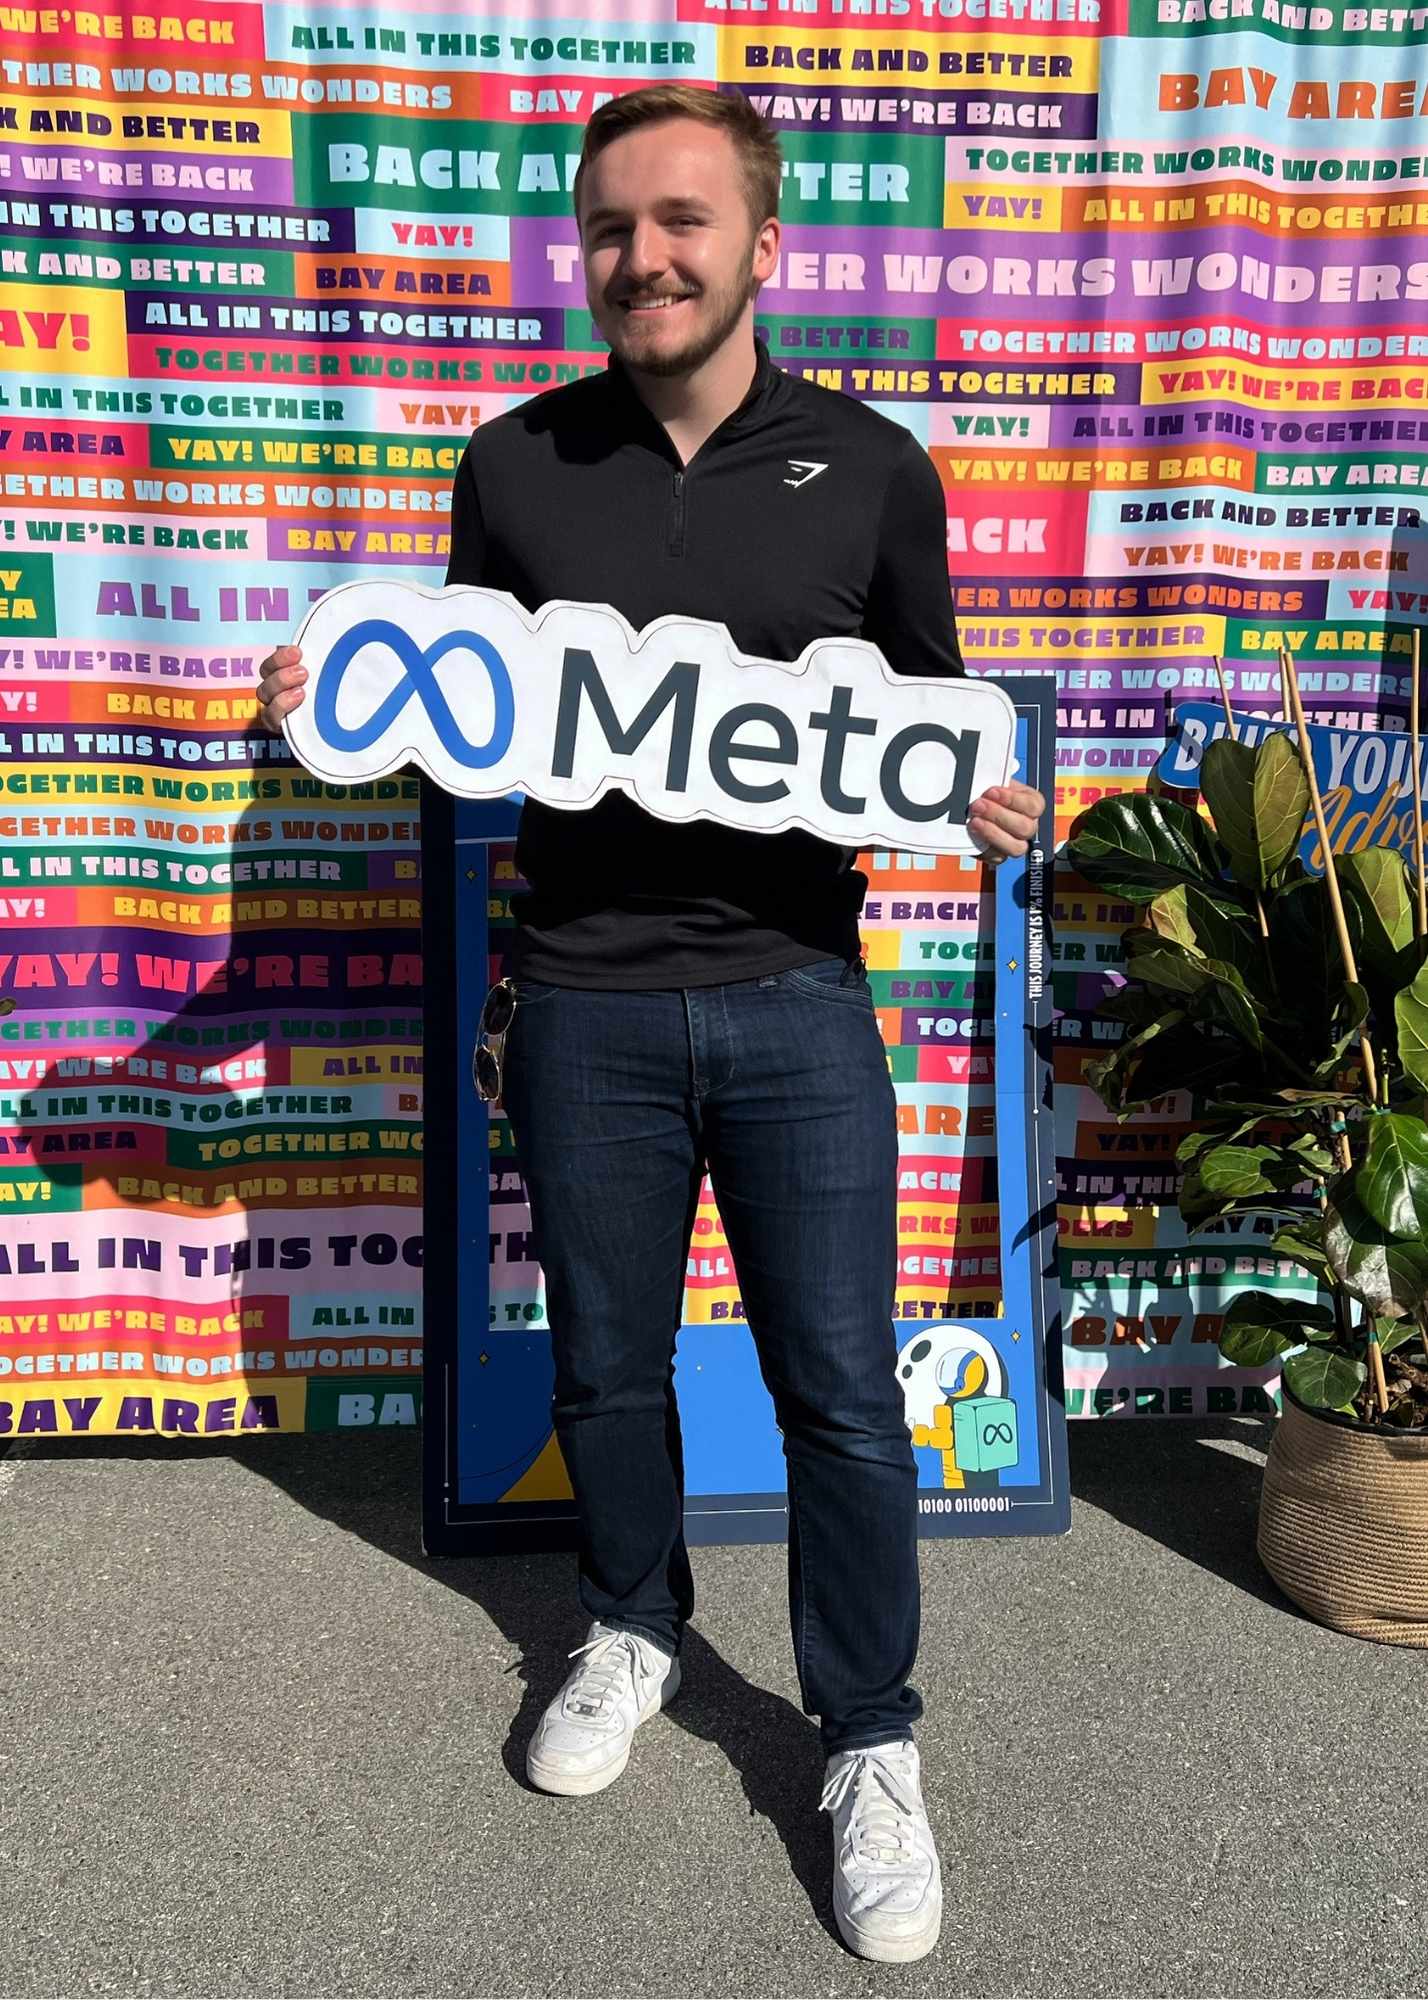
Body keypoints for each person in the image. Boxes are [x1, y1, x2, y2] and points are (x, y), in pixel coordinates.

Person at [258, 83, 1043, 1966]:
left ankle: (868, 1739)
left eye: (684, 222)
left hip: (796, 997)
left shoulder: (872, 469)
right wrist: (335, 688)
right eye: (613, 228)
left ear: (764, 245)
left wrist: (983, 787)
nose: (646, 258)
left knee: (844, 1400)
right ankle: (628, 1625)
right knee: (605, 1369)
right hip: (586, 1002)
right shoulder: (515, 465)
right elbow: (464, 704)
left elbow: (930, 711)